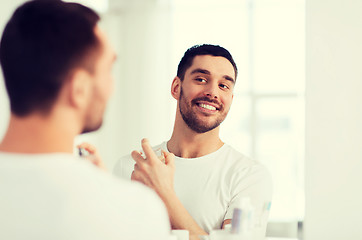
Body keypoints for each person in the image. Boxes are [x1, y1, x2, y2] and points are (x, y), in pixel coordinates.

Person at [0, 1, 170, 239]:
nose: (111, 86)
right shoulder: (136, 211)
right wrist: (109, 193)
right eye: (108, 70)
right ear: (79, 89)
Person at [114, 44, 273, 239]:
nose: (212, 92)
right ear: (176, 87)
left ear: (231, 98)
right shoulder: (133, 167)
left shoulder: (249, 177)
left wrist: (164, 194)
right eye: (201, 79)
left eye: (223, 85)